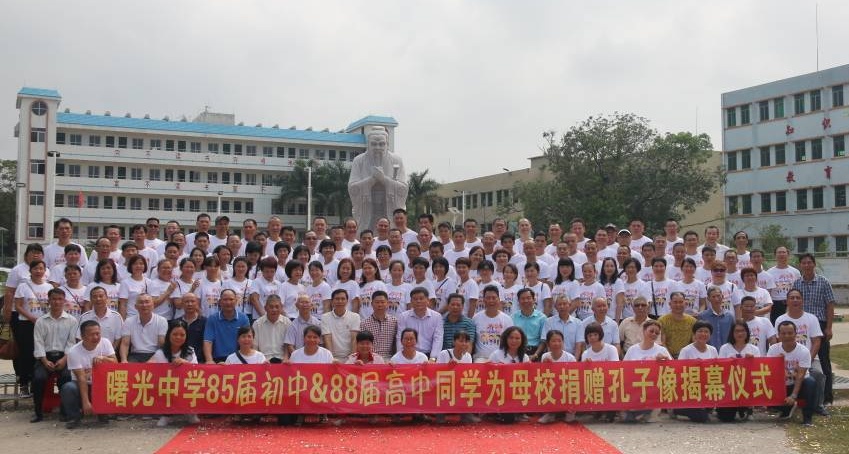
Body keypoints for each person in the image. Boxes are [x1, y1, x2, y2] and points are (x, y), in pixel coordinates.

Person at [792, 253, 836, 406]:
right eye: (804, 263)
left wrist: (829, 327)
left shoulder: (824, 282)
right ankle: (802, 395)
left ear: (814, 264)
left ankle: (827, 397)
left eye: (809, 262)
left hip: (820, 324)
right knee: (801, 358)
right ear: (800, 266)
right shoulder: (797, 283)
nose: (807, 265)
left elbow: (830, 305)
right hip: (802, 325)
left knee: (824, 360)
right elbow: (793, 304)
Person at [775, 288, 827, 416]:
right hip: (786, 360)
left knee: (819, 374)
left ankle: (818, 405)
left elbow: (816, 341)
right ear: (787, 301)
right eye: (792, 298)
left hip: (809, 357)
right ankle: (782, 404)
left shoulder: (811, 318)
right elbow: (779, 342)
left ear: (802, 300)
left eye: (798, 298)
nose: (795, 300)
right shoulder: (780, 319)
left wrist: (807, 361)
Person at [30, 288, 78, 423]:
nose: (57, 302)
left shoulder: (72, 320)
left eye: (60, 299)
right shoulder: (41, 321)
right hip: (45, 357)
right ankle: (38, 412)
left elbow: (71, 343)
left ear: (64, 301)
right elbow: (38, 342)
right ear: (49, 301)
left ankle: (65, 411)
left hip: (64, 356)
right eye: (54, 299)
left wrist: (64, 359)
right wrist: (44, 360)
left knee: (67, 377)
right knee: (38, 378)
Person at [347, 126, 408, 230]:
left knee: (390, 231)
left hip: (388, 205)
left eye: (382, 144)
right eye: (374, 144)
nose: (378, 147)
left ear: (387, 144)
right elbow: (353, 188)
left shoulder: (396, 160)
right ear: (368, 144)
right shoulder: (359, 161)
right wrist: (372, 179)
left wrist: (384, 179)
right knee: (366, 232)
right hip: (367, 207)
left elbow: (403, 189)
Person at [61, 321, 117, 429]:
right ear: (82, 336)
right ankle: (74, 417)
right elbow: (81, 378)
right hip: (82, 384)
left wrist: (104, 359)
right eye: (92, 334)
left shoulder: (105, 342)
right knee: (68, 388)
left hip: (101, 384)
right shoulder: (73, 351)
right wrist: (85, 402)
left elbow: (116, 363)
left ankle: (103, 413)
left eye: (98, 333)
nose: (96, 337)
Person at [148, 320, 201, 427]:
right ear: (169, 335)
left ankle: (190, 412)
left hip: (185, 386)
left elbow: (197, 371)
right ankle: (167, 414)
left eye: (182, 335)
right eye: (175, 334)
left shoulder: (190, 351)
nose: (178, 337)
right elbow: (149, 369)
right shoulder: (160, 353)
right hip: (167, 389)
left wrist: (184, 362)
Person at [13, 259, 53, 394]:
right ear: (30, 271)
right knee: (26, 353)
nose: (38, 271)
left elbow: (52, 305)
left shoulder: (49, 287)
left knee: (41, 353)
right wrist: (31, 318)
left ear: (45, 271)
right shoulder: (23, 286)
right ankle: (24, 384)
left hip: (44, 325)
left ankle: (37, 385)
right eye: (35, 268)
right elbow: (18, 306)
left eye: (41, 268)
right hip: (26, 324)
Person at [768, 321, 816, 426]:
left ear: (795, 334)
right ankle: (785, 409)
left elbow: (801, 375)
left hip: (798, 384)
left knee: (810, 382)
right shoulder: (773, 349)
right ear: (778, 335)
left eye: (790, 333)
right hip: (781, 384)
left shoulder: (803, 351)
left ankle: (807, 418)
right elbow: (770, 372)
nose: (787, 336)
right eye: (783, 333)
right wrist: (777, 363)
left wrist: (793, 395)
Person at [622, 320, 670, 422]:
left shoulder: (662, 350)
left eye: (657, 333)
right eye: (651, 331)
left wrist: (663, 362)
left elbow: (672, 371)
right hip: (635, 389)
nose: (654, 334)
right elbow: (624, 370)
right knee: (627, 417)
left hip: (654, 389)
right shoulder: (632, 349)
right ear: (644, 331)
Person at [538, 330, 578, 424]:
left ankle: (570, 412)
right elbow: (542, 376)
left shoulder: (570, 358)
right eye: (553, 341)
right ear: (548, 343)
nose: (556, 343)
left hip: (566, 385)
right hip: (552, 385)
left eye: (559, 341)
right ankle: (549, 413)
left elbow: (575, 376)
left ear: (563, 342)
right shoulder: (545, 356)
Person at [396, 287, 443, 361]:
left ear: (428, 300)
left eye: (421, 298)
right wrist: (400, 357)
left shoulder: (437, 317)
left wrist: (433, 358)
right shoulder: (403, 316)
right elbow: (400, 338)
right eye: (415, 299)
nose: (418, 301)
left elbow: (438, 338)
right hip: (409, 354)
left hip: (429, 355)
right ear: (411, 301)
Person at [203, 289, 250, 363]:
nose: (228, 302)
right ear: (220, 302)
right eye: (225, 300)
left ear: (236, 301)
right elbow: (208, 341)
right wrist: (209, 360)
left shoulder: (243, 318)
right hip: (218, 360)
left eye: (231, 299)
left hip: (238, 359)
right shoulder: (212, 319)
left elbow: (247, 341)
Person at [119, 294, 167, 363]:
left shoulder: (162, 321)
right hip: (135, 355)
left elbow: (161, 344)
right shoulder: (129, 321)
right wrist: (124, 360)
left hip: (154, 354)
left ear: (153, 305)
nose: (144, 305)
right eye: (141, 302)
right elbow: (125, 344)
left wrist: (155, 358)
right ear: (135, 307)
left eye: (147, 302)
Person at [472, 285, 514, 361]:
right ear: (483, 300)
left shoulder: (507, 319)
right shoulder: (476, 318)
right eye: (488, 298)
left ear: (499, 299)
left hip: (502, 358)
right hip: (481, 358)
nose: (491, 301)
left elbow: (511, 341)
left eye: (494, 298)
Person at [321, 289, 361, 361]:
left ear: (347, 301)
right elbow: (327, 339)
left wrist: (351, 360)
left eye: (343, 299)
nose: (340, 301)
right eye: (337, 299)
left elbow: (354, 339)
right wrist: (332, 359)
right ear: (332, 301)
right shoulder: (325, 317)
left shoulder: (355, 317)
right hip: (333, 357)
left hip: (350, 357)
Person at [358, 290, 397, 361]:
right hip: (371, 359)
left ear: (387, 303)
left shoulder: (394, 321)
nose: (380, 305)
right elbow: (361, 344)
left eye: (382, 302)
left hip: (389, 359)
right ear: (372, 304)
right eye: (377, 302)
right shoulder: (364, 323)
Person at [252, 295, 292, 363]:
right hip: (263, 361)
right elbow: (254, 347)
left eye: (277, 307)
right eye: (271, 307)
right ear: (265, 308)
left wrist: (285, 358)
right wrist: (260, 360)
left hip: (283, 360)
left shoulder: (287, 322)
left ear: (281, 307)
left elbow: (288, 345)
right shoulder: (257, 324)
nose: (274, 310)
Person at [766, 246, 800, 323]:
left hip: (792, 303)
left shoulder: (795, 272)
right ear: (775, 255)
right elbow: (768, 292)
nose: (781, 254)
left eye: (784, 252)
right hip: (776, 304)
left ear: (788, 255)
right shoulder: (769, 272)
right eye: (779, 252)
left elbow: (799, 290)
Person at [658, 292, 696, 358]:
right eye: (675, 302)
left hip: (687, 357)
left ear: (686, 304)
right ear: (670, 304)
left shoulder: (692, 321)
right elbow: (662, 343)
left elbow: (694, 342)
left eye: (681, 302)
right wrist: (670, 358)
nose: (678, 305)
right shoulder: (662, 320)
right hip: (667, 357)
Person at [698, 286, 735, 350]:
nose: (716, 299)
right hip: (708, 352)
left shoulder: (729, 316)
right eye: (713, 297)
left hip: (726, 352)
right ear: (708, 299)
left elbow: (733, 336)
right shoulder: (703, 316)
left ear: (722, 296)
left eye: (718, 296)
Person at [176, 292, 207, 363]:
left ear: (197, 303)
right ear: (182, 304)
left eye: (192, 301)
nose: (190, 304)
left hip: (200, 362)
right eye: (186, 301)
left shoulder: (205, 322)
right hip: (179, 361)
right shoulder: (177, 322)